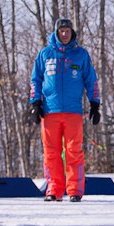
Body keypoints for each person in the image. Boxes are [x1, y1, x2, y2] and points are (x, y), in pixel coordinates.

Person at [30, 17, 101, 202]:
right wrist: (35, 103)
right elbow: (35, 79)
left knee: (73, 151)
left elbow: (91, 80)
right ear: (56, 32)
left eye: (67, 31)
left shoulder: (81, 55)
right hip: (50, 111)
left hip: (73, 112)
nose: (64, 34)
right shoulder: (45, 54)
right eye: (61, 31)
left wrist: (95, 103)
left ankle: (74, 190)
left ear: (72, 33)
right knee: (51, 152)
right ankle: (53, 189)